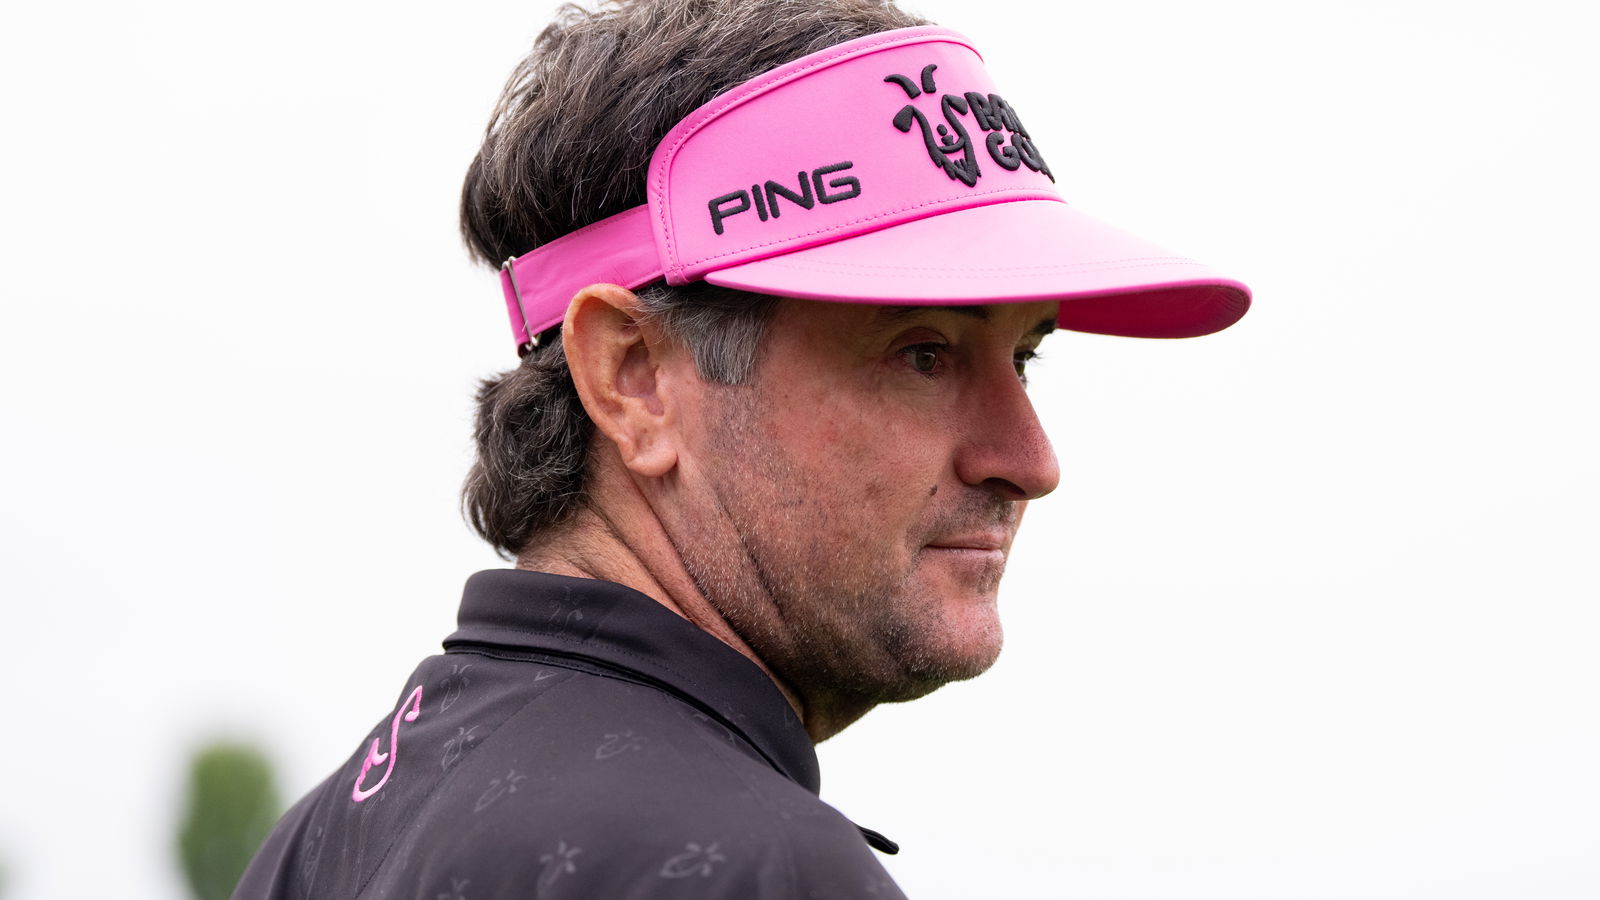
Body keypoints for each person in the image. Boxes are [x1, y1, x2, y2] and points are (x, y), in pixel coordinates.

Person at [234, 0, 1250, 896]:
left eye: (1022, 358)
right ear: (634, 376)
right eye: (923, 352)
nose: (1029, 460)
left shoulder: (324, 840)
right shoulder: (759, 870)